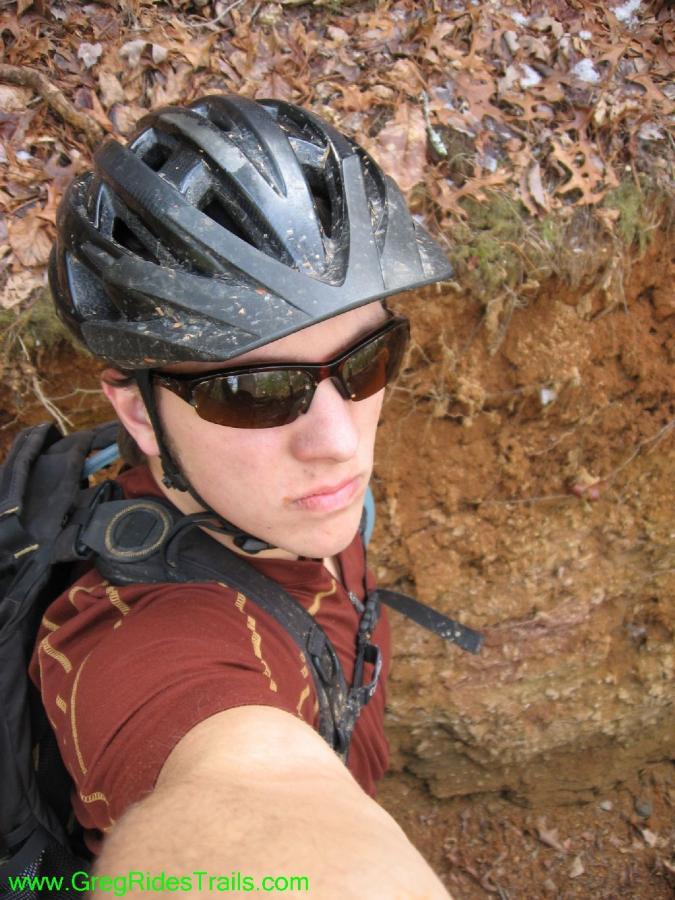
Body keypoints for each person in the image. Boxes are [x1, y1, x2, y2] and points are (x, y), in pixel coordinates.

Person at [29, 94, 454, 897]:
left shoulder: (282, 496)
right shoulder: (143, 649)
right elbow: (237, 789)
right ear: (138, 414)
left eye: (366, 360)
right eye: (257, 390)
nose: (336, 439)